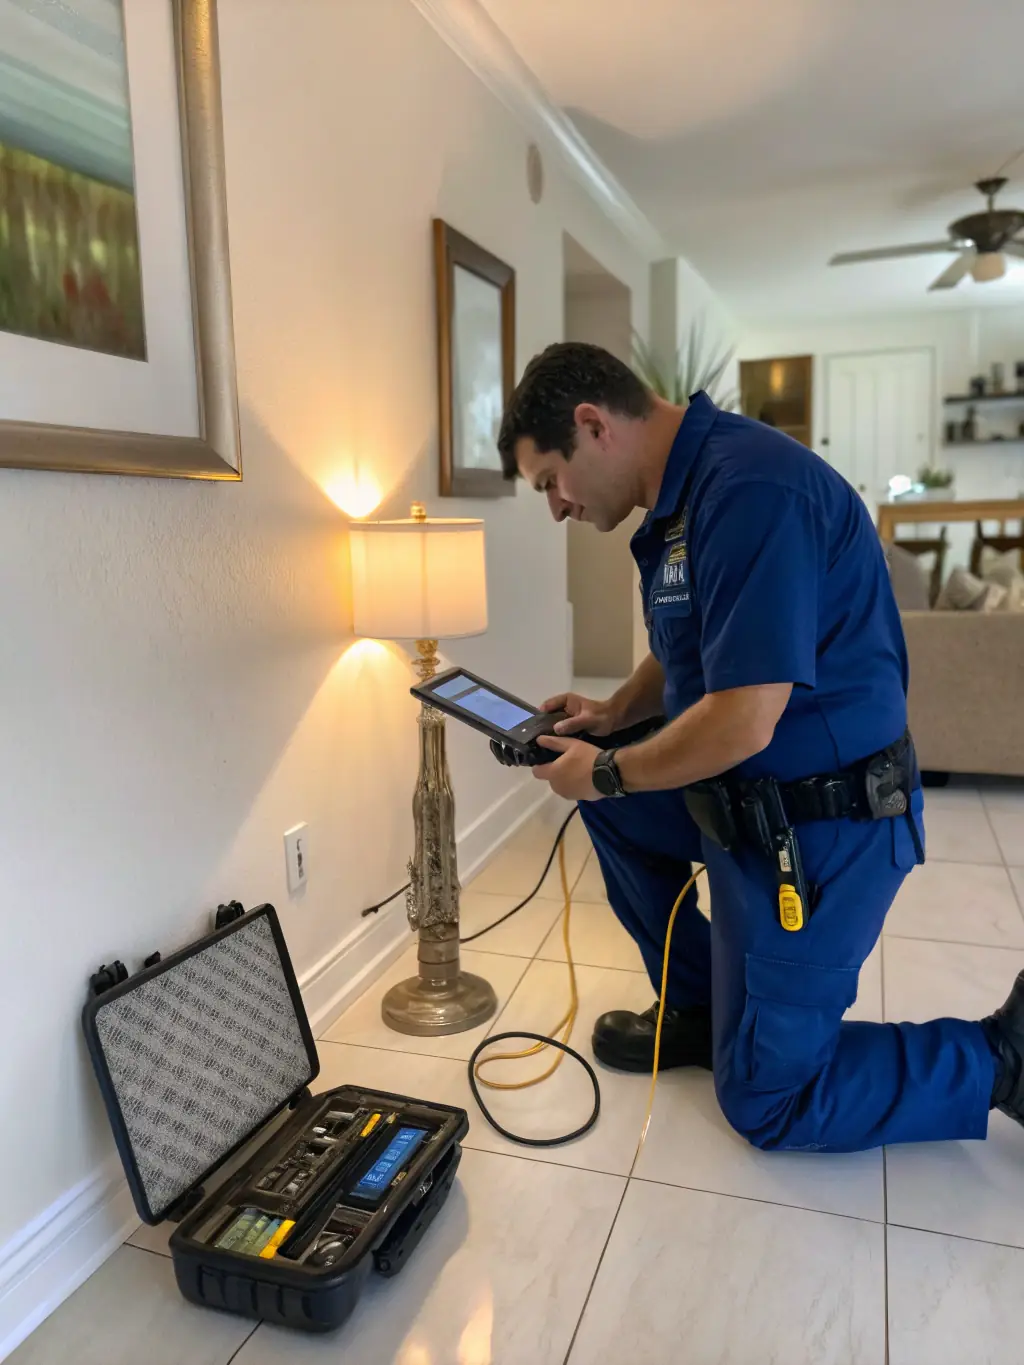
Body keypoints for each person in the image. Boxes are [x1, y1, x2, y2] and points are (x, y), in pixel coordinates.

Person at [494, 340, 1024, 1154]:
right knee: (614, 806)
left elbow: (744, 719)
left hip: (824, 826)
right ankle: (699, 1008)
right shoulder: (680, 495)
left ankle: (1000, 1060)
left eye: (548, 482)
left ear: (593, 425)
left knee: (769, 1100)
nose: (557, 507)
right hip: (742, 798)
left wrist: (607, 769)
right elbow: (693, 641)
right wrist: (613, 712)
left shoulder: (751, 490)